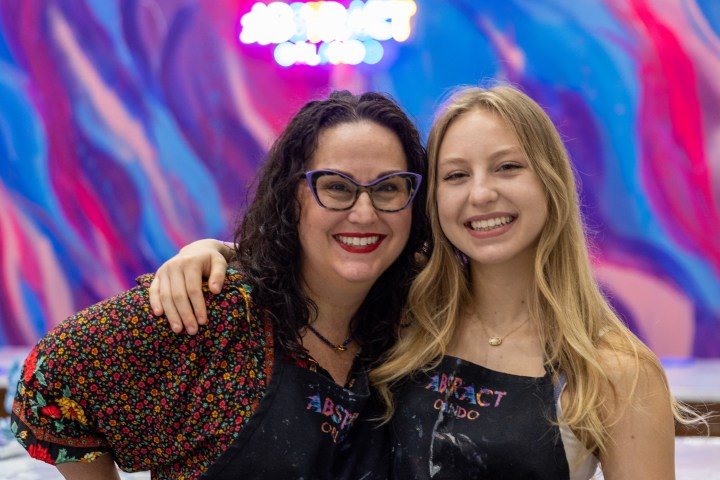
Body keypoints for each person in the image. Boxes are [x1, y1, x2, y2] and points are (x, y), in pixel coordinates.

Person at [151, 85, 704, 479]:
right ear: (431, 199)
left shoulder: (613, 371)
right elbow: (316, 264)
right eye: (456, 175)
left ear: (552, 183)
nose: (480, 194)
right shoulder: (403, 318)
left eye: (508, 167)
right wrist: (213, 253)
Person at [11, 90, 429, 479]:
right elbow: (52, 376)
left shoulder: (419, 316)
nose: (363, 212)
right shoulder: (210, 312)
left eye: (389, 188)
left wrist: (226, 248)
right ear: (292, 196)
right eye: (336, 187)